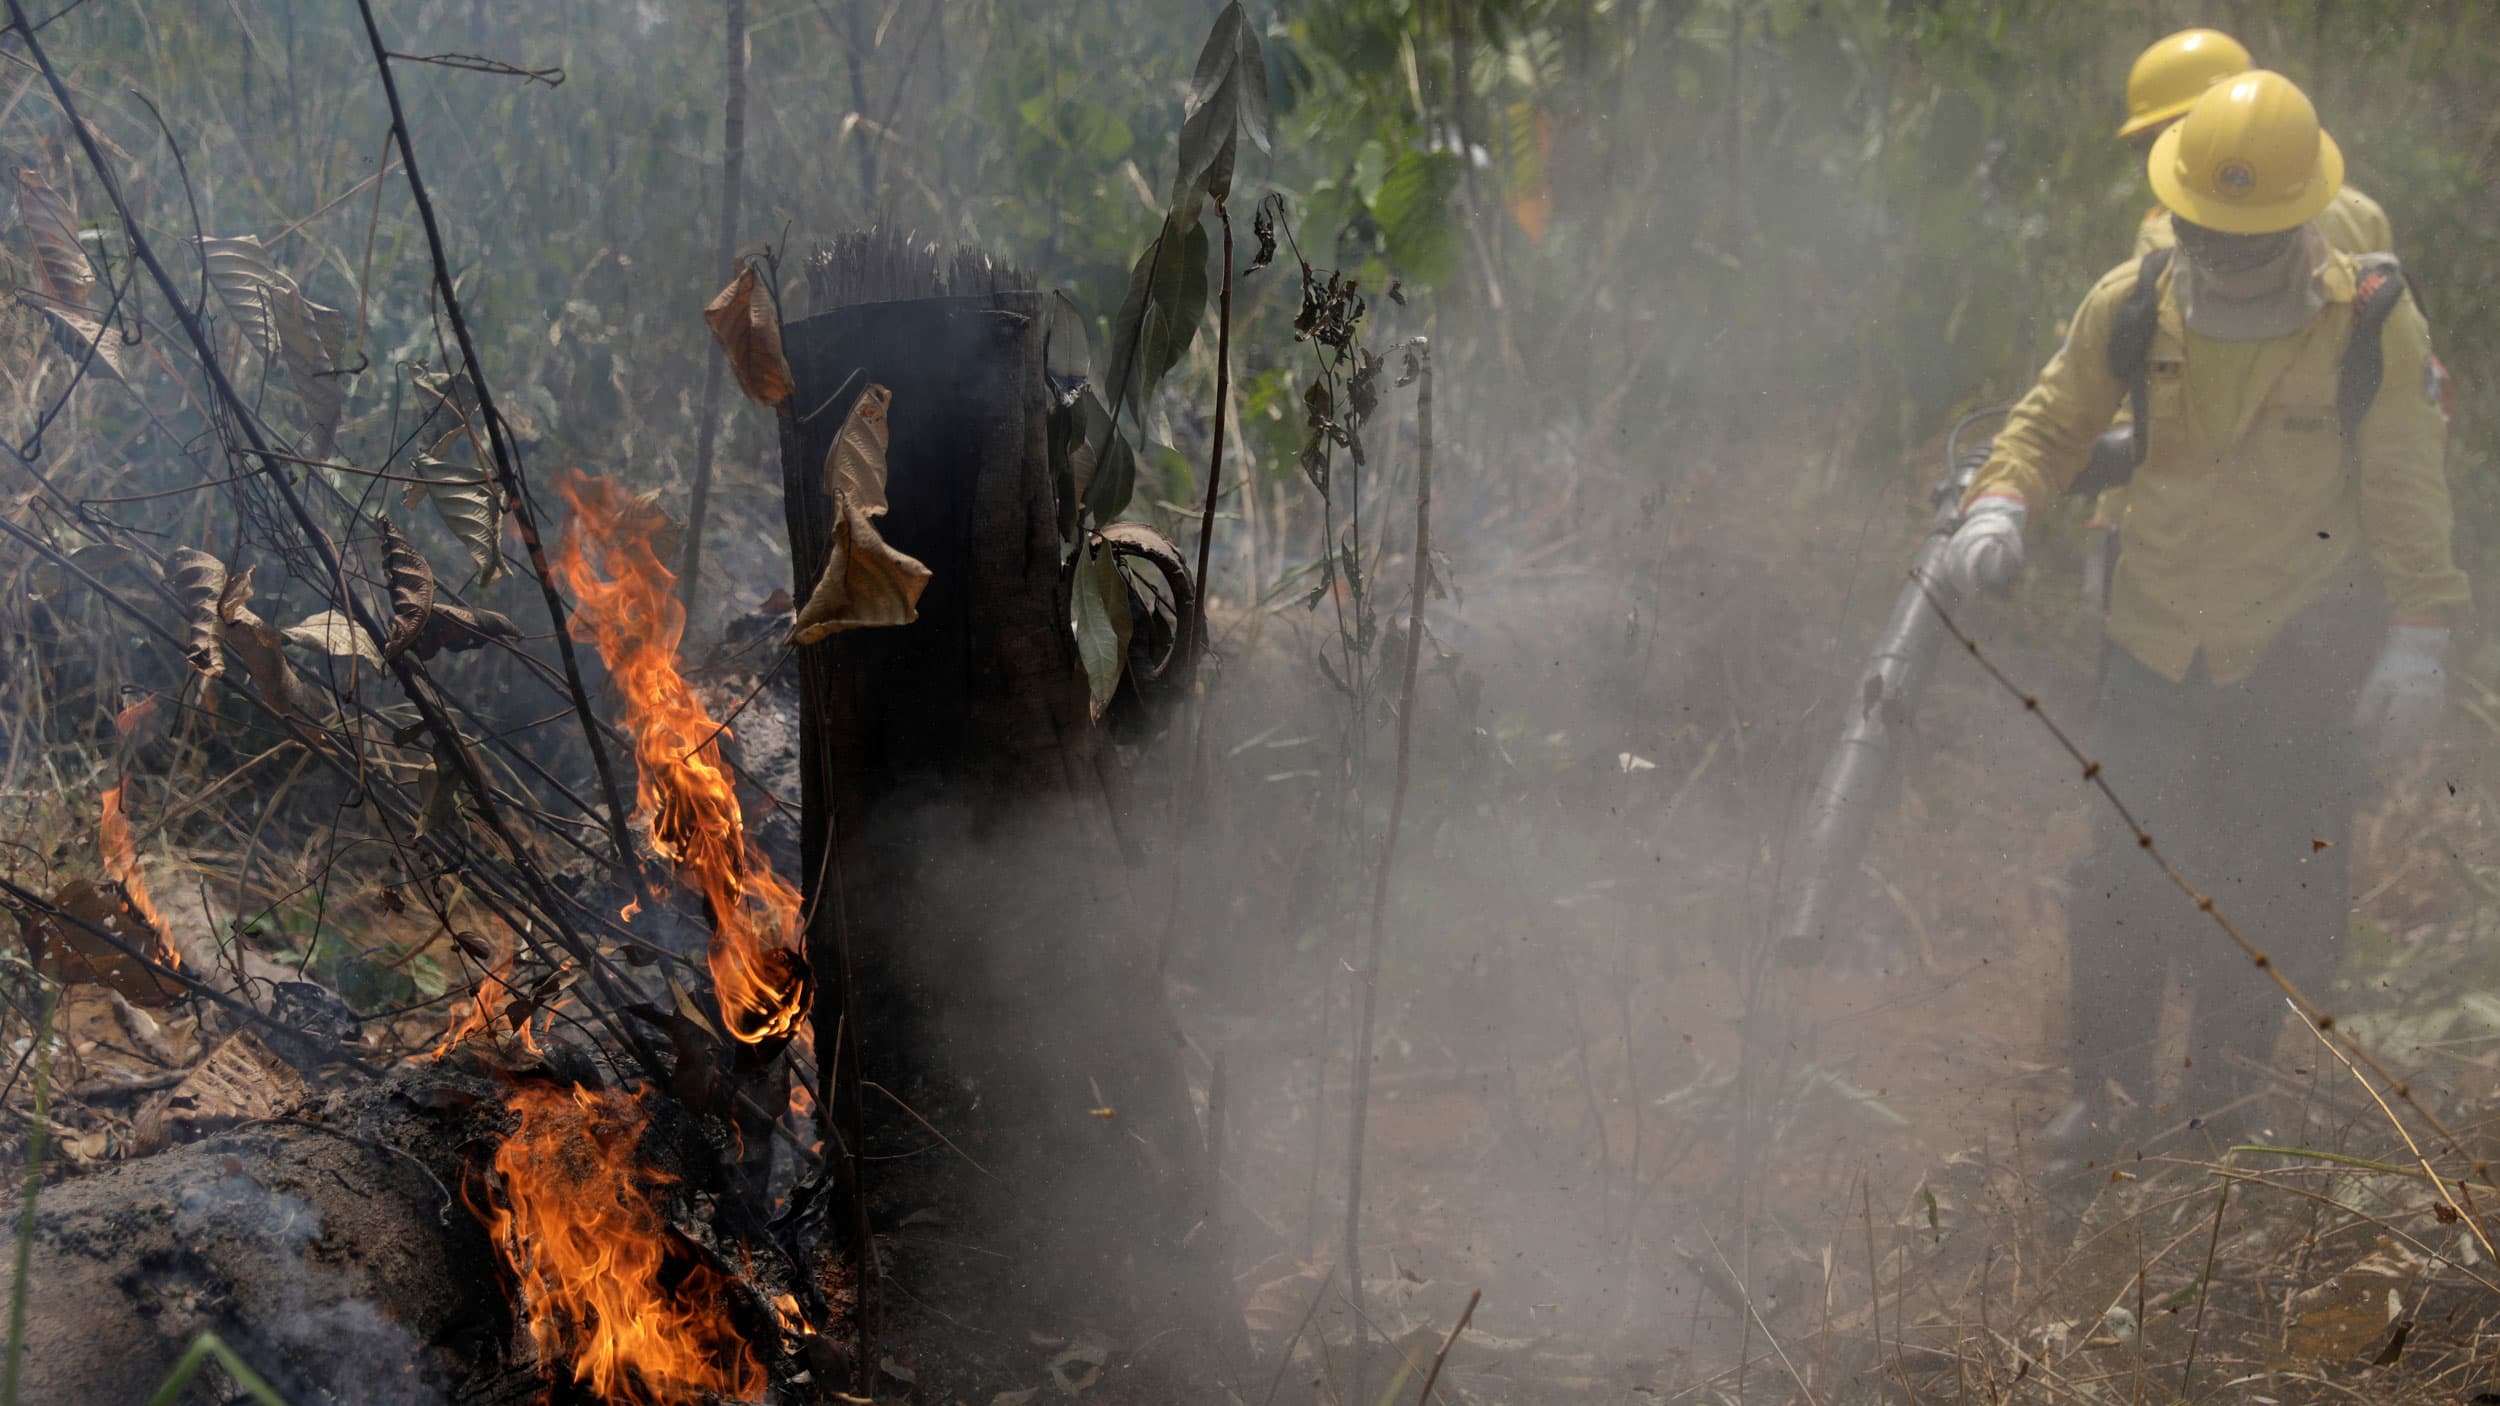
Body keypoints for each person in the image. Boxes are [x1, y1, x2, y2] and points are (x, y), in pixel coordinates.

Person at [1937, 72, 2466, 1171]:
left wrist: (2420, 636)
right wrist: (2000, 502)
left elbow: (2407, 485)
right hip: (2153, 636)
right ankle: (2107, 1101)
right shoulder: (2131, 300)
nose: (2211, 251)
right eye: (2197, 228)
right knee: (2124, 872)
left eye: (2237, 234)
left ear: (2293, 219)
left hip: (2297, 647)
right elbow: (2049, 421)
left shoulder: (2369, 318)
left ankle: (2220, 1117)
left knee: (2275, 884)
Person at [2084, 29, 2398, 617]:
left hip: (2192, 557)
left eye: (2163, 136)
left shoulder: (2169, 237)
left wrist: (2106, 520)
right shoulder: (2363, 214)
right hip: (2326, 555)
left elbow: (2148, 401)